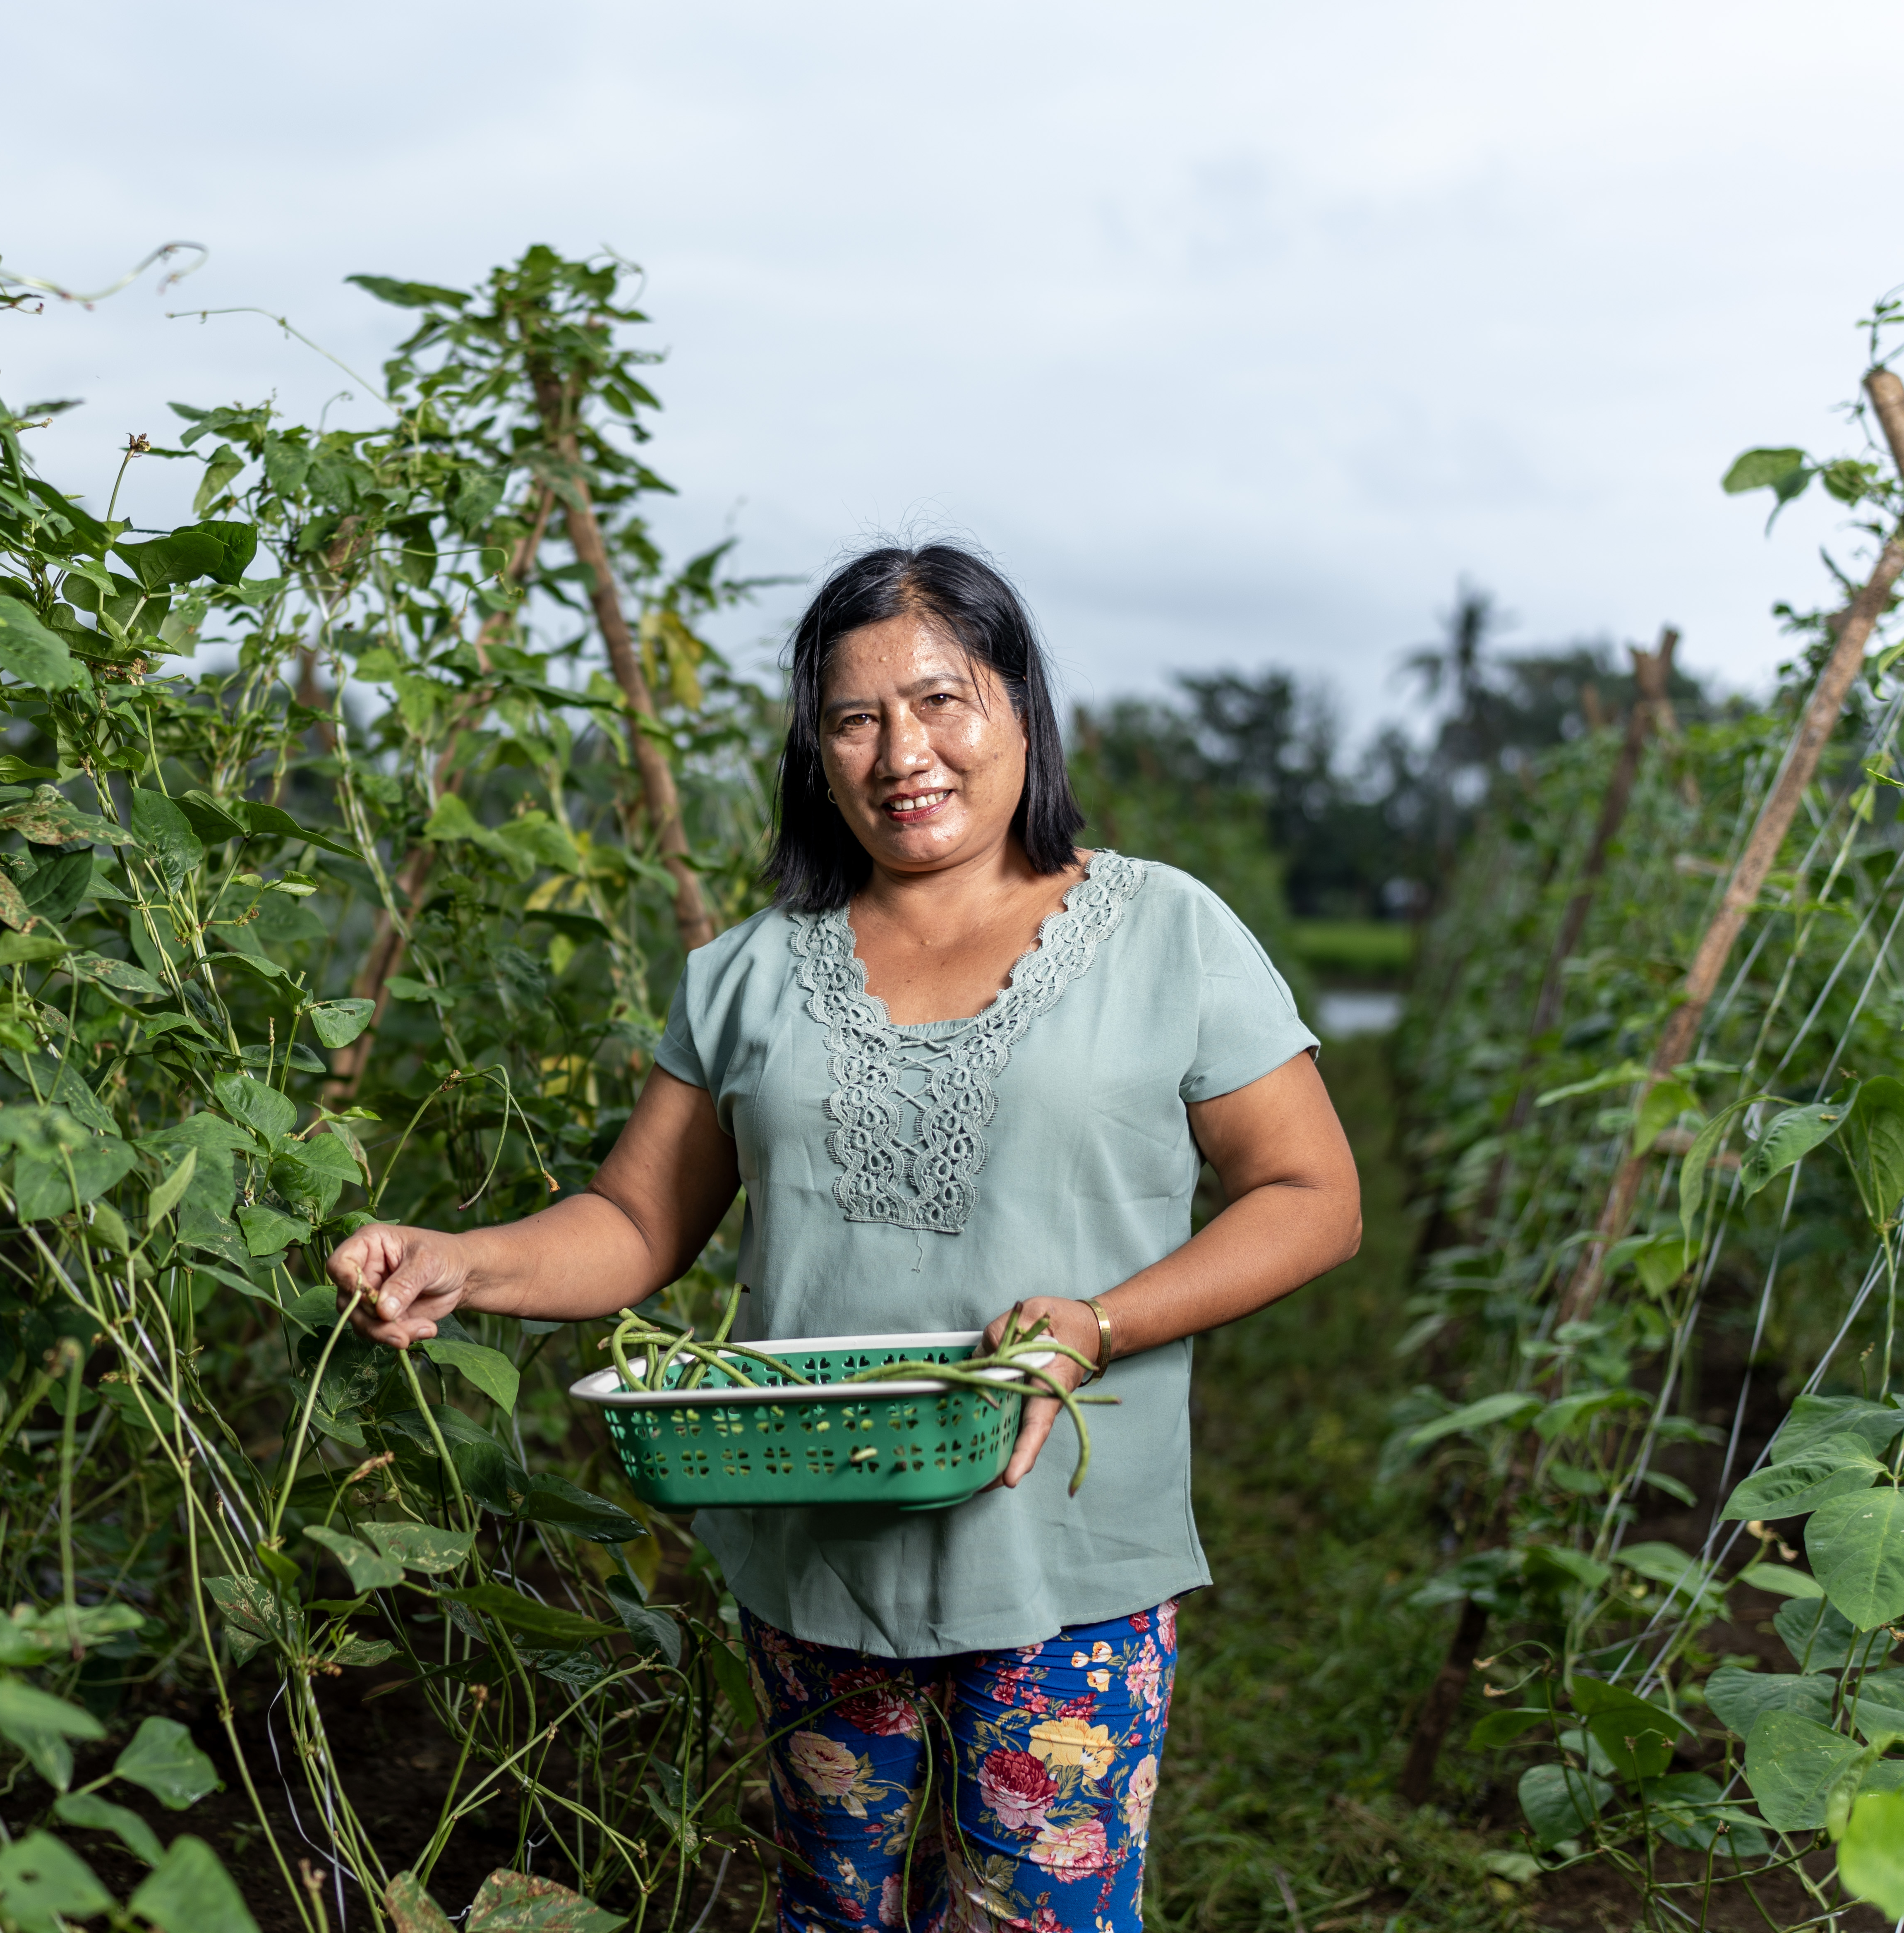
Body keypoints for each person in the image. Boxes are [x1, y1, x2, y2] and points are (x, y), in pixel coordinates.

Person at [327, 544, 1362, 1932]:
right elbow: (638, 1224)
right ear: (817, 751)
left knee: (1030, 1920)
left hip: (1062, 1556)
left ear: (1023, 712)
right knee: (834, 1909)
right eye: (854, 717)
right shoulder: (751, 971)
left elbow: (1312, 1196)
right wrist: (467, 1261)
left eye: (944, 700)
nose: (903, 753)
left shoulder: (1165, 931)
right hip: (816, 1551)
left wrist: (1096, 1326)